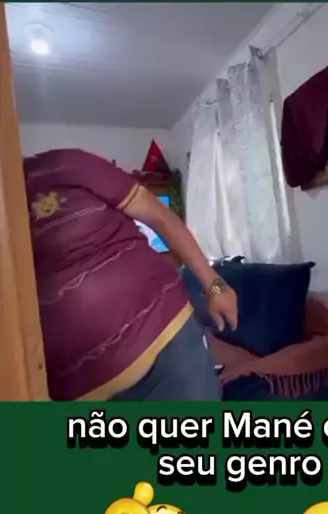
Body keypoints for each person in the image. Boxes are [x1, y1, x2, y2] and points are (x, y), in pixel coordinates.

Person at [23, 148, 238, 402]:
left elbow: (160, 216)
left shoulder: (65, 165)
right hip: (79, 394)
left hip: (168, 353)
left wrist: (216, 286)